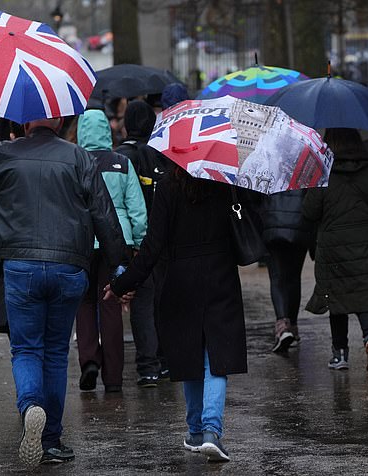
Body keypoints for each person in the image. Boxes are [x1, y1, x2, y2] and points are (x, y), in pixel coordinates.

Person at [0, 114, 127, 468]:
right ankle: (51, 439)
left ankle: (31, 406)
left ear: (25, 122)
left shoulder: (2, 153)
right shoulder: (79, 157)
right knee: (57, 353)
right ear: (59, 120)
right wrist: (119, 266)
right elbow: (103, 214)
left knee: (27, 348)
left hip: (20, 265)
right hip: (68, 265)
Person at [107, 164, 247, 463]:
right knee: (216, 357)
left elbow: (152, 246)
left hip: (180, 278)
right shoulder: (224, 181)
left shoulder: (168, 185)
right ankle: (211, 430)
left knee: (189, 352)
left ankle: (196, 430)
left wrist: (122, 284)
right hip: (220, 274)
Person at [75, 109, 147, 393]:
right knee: (112, 306)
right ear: (107, 130)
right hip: (118, 242)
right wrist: (139, 243)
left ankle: (89, 360)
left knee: (84, 304)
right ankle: (114, 376)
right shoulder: (122, 163)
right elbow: (137, 209)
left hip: (82, 241)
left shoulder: (74, 162)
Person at [303, 128, 368, 371]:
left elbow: (309, 212)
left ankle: (339, 353)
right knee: (365, 294)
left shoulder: (323, 172)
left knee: (337, 298)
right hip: (365, 244)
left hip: (333, 249)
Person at [115, 99, 172, 385]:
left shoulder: (119, 157)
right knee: (162, 300)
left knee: (140, 303)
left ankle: (147, 365)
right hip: (162, 239)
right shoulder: (158, 154)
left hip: (137, 241)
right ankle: (163, 360)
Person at [260, 191, 314, 352]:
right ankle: (294, 326)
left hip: (271, 222)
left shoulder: (268, 166)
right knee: (293, 277)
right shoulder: (306, 167)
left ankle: (283, 326)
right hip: (300, 223)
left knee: (277, 278)